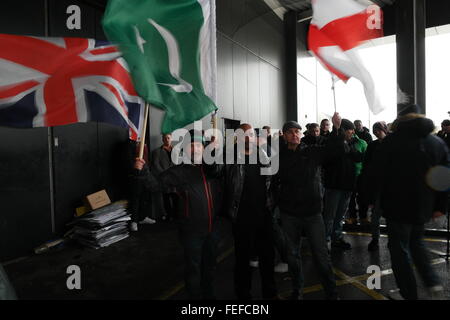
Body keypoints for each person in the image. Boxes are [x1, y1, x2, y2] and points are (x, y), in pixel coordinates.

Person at [370, 104, 449, 300]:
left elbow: (374, 175)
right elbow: (443, 176)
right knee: (417, 243)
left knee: (399, 251)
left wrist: (370, 199)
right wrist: (441, 206)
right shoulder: (436, 143)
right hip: (423, 207)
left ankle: (409, 294)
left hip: (396, 207)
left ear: (401, 120)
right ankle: (433, 283)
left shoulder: (390, 142)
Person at [133, 130, 223, 300]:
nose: (195, 149)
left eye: (199, 145)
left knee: (210, 268)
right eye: (191, 145)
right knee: (193, 270)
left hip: (213, 230)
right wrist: (142, 171)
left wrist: (215, 151)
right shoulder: (178, 171)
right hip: (191, 232)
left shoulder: (212, 168)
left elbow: (218, 168)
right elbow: (155, 185)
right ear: (184, 149)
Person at [273, 113, 345, 300]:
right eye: (290, 132)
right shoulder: (278, 157)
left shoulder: (312, 152)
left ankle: (332, 293)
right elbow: (270, 182)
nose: (294, 135)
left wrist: (337, 129)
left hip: (313, 214)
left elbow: (335, 150)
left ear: (301, 134)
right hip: (289, 214)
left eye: (297, 131)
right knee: (292, 257)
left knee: (322, 258)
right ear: (284, 135)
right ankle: (298, 290)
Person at [223, 123, 279, 300]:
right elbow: (214, 170)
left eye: (251, 135)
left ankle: (270, 294)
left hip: (264, 216)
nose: (248, 138)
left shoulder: (264, 156)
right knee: (242, 260)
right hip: (241, 218)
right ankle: (243, 296)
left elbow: (272, 183)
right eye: (243, 135)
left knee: (268, 259)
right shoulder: (229, 158)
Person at [322, 119, 367, 250]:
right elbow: (328, 158)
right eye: (350, 129)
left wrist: (348, 145)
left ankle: (337, 237)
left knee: (340, 214)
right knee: (330, 215)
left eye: (353, 129)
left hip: (348, 184)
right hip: (334, 185)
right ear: (342, 130)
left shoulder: (352, 142)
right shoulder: (331, 142)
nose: (353, 132)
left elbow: (358, 157)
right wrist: (341, 142)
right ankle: (326, 240)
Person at [360, 121, 389, 251]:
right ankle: (375, 239)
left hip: (388, 186)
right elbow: (366, 166)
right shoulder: (372, 145)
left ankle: (389, 240)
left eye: (378, 129)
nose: (376, 132)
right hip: (377, 186)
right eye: (375, 130)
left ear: (384, 129)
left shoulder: (391, 144)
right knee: (376, 216)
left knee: (389, 216)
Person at [127, 140, 156, 232]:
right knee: (135, 199)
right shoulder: (130, 145)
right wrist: (133, 167)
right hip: (136, 176)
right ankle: (134, 221)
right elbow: (127, 160)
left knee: (145, 198)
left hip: (146, 176)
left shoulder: (145, 143)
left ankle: (142, 217)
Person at [151, 133, 175, 221]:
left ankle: (175, 215)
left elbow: (180, 163)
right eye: (165, 138)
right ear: (162, 140)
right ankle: (168, 215)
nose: (167, 140)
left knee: (175, 197)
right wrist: (165, 174)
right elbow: (155, 165)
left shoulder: (177, 150)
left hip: (175, 178)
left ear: (171, 139)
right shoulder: (157, 152)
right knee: (166, 198)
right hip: (164, 178)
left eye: (168, 138)